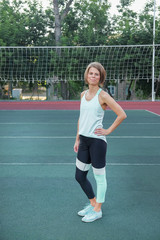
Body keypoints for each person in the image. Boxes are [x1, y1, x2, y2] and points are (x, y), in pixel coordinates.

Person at [74, 62, 127, 223]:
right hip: (83, 141)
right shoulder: (83, 94)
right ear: (87, 75)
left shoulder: (103, 95)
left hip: (97, 142)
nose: (93, 76)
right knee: (79, 176)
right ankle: (93, 203)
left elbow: (122, 114)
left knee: (99, 178)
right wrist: (77, 138)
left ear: (100, 77)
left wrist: (108, 130)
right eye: (91, 73)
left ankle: (98, 210)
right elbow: (81, 118)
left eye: (96, 74)